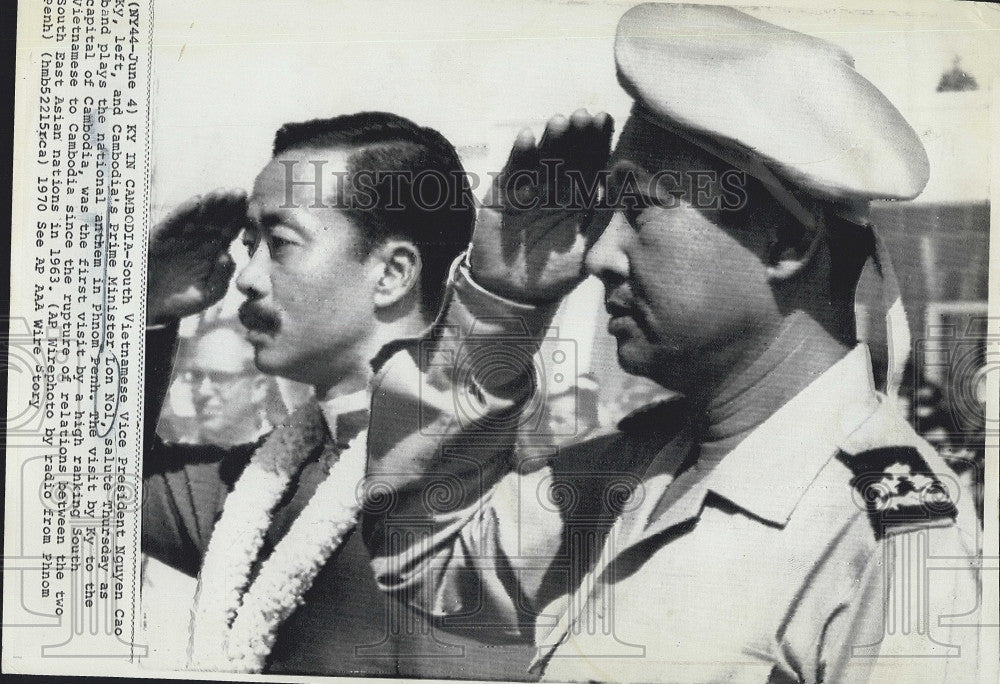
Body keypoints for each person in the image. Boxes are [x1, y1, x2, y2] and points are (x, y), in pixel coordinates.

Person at [359, 5, 982, 683]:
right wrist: (499, 303)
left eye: (642, 206)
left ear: (786, 243)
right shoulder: (643, 465)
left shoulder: (887, 533)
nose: (598, 255)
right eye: (603, 210)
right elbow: (422, 548)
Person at [141, 112, 535, 676]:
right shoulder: (261, 486)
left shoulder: (496, 477)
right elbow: (97, 485)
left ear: (392, 273)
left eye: (278, 243)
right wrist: (148, 306)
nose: (246, 278)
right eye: (248, 245)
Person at [183, 320, 278, 445]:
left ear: (258, 387)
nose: (202, 391)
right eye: (197, 376)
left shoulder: (286, 455)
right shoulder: (169, 458)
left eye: (220, 377)